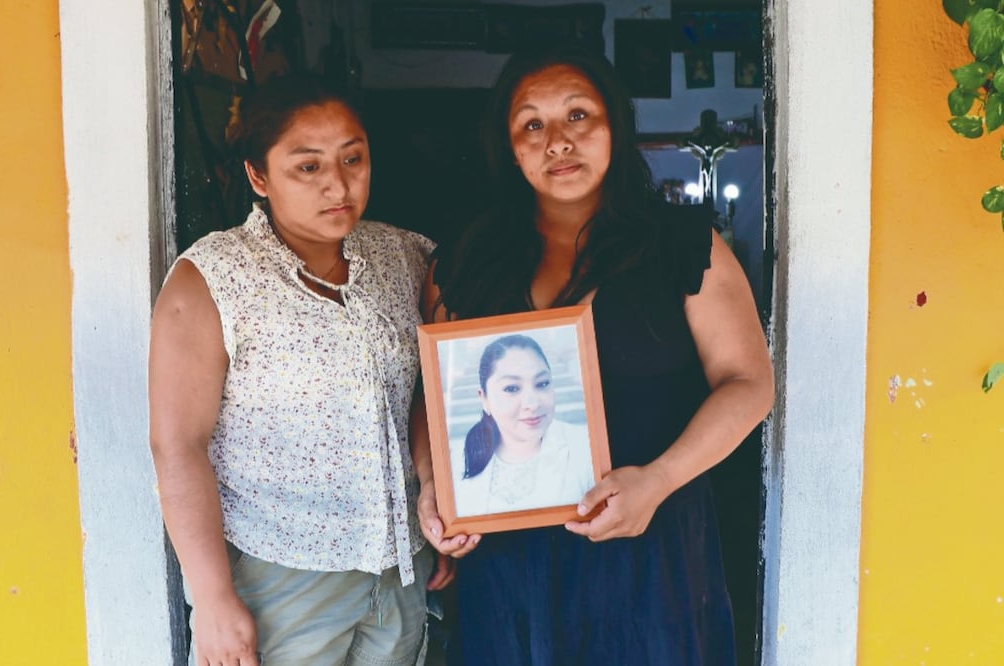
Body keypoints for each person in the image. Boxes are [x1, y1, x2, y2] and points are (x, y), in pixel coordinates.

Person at [411, 45, 774, 665]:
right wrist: (432, 487)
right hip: (508, 567)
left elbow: (749, 384)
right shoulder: (465, 261)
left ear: (615, 125)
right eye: (532, 124)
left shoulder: (685, 246)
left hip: (650, 552)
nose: (557, 141)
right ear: (509, 146)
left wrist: (657, 482)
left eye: (578, 115)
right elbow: (434, 396)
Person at [148, 72, 450, 666]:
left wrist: (436, 494)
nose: (338, 184)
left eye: (353, 159)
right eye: (307, 167)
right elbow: (176, 445)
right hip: (279, 577)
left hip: (400, 569)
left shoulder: (404, 256)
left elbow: (432, 391)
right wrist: (211, 598)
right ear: (258, 176)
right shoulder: (213, 277)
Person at [450, 334, 594, 517]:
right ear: (484, 398)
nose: (532, 403)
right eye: (511, 388)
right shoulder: (455, 461)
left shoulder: (587, 447)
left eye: (542, 384)